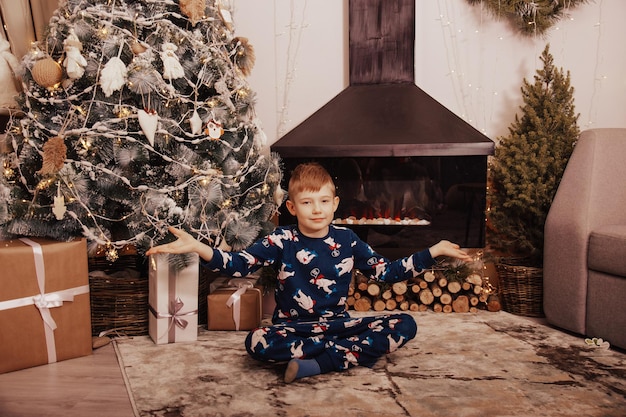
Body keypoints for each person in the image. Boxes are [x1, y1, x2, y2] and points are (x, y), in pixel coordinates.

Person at [146, 162, 472, 383]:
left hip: (338, 325)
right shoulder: (282, 239)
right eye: (307, 202)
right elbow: (238, 264)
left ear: (335, 204)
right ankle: (340, 356)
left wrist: (434, 250)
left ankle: (318, 363)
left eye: (323, 201)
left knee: (406, 323)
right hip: (294, 328)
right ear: (292, 207)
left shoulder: (347, 239)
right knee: (256, 342)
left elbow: (386, 272)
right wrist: (198, 247)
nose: (316, 209)